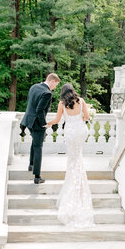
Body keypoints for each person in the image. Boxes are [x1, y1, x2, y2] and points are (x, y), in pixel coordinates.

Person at [46, 83, 95, 228]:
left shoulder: (62, 104)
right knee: (78, 156)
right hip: (80, 131)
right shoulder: (81, 101)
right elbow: (86, 117)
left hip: (70, 132)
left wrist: (47, 124)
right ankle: (79, 181)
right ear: (73, 91)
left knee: (72, 158)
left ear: (63, 92)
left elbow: (57, 120)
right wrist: (85, 116)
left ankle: (73, 182)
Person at [21, 73, 60, 184]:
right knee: (38, 147)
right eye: (55, 85)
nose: (55, 88)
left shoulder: (33, 87)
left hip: (27, 120)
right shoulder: (47, 93)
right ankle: (37, 177)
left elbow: (31, 105)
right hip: (37, 123)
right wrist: (44, 124)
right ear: (52, 81)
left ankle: (31, 164)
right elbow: (39, 110)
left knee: (34, 142)